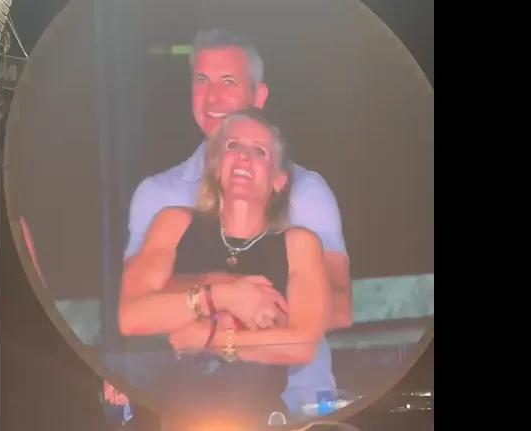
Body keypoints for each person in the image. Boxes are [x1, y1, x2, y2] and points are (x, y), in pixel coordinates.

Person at [109, 28, 352, 417]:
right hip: (179, 404)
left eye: (228, 82)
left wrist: (216, 329)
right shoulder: (158, 197)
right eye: (201, 80)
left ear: (259, 96)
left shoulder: (308, 194)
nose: (212, 97)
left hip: (293, 406)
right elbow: (134, 312)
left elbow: (337, 308)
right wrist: (225, 291)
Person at [118, 108, 331, 427]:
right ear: (216, 166)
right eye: (233, 145)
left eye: (259, 151)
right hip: (170, 416)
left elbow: (301, 344)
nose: (243, 156)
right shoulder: (173, 223)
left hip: (258, 419)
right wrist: (223, 296)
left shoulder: (299, 244)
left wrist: (212, 337)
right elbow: (131, 317)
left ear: (279, 180)